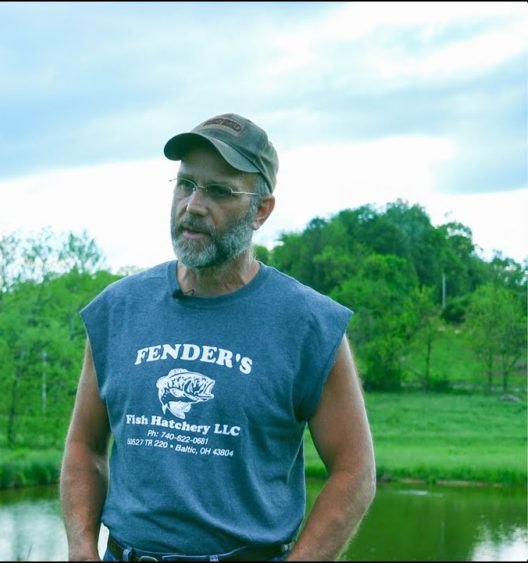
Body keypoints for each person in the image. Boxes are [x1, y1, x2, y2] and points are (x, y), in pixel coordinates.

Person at [59, 113, 376, 562]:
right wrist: (80, 548)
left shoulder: (309, 325)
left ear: (261, 210)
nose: (193, 205)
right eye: (185, 184)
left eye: (220, 191)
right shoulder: (118, 310)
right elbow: (84, 447)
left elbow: (354, 472)